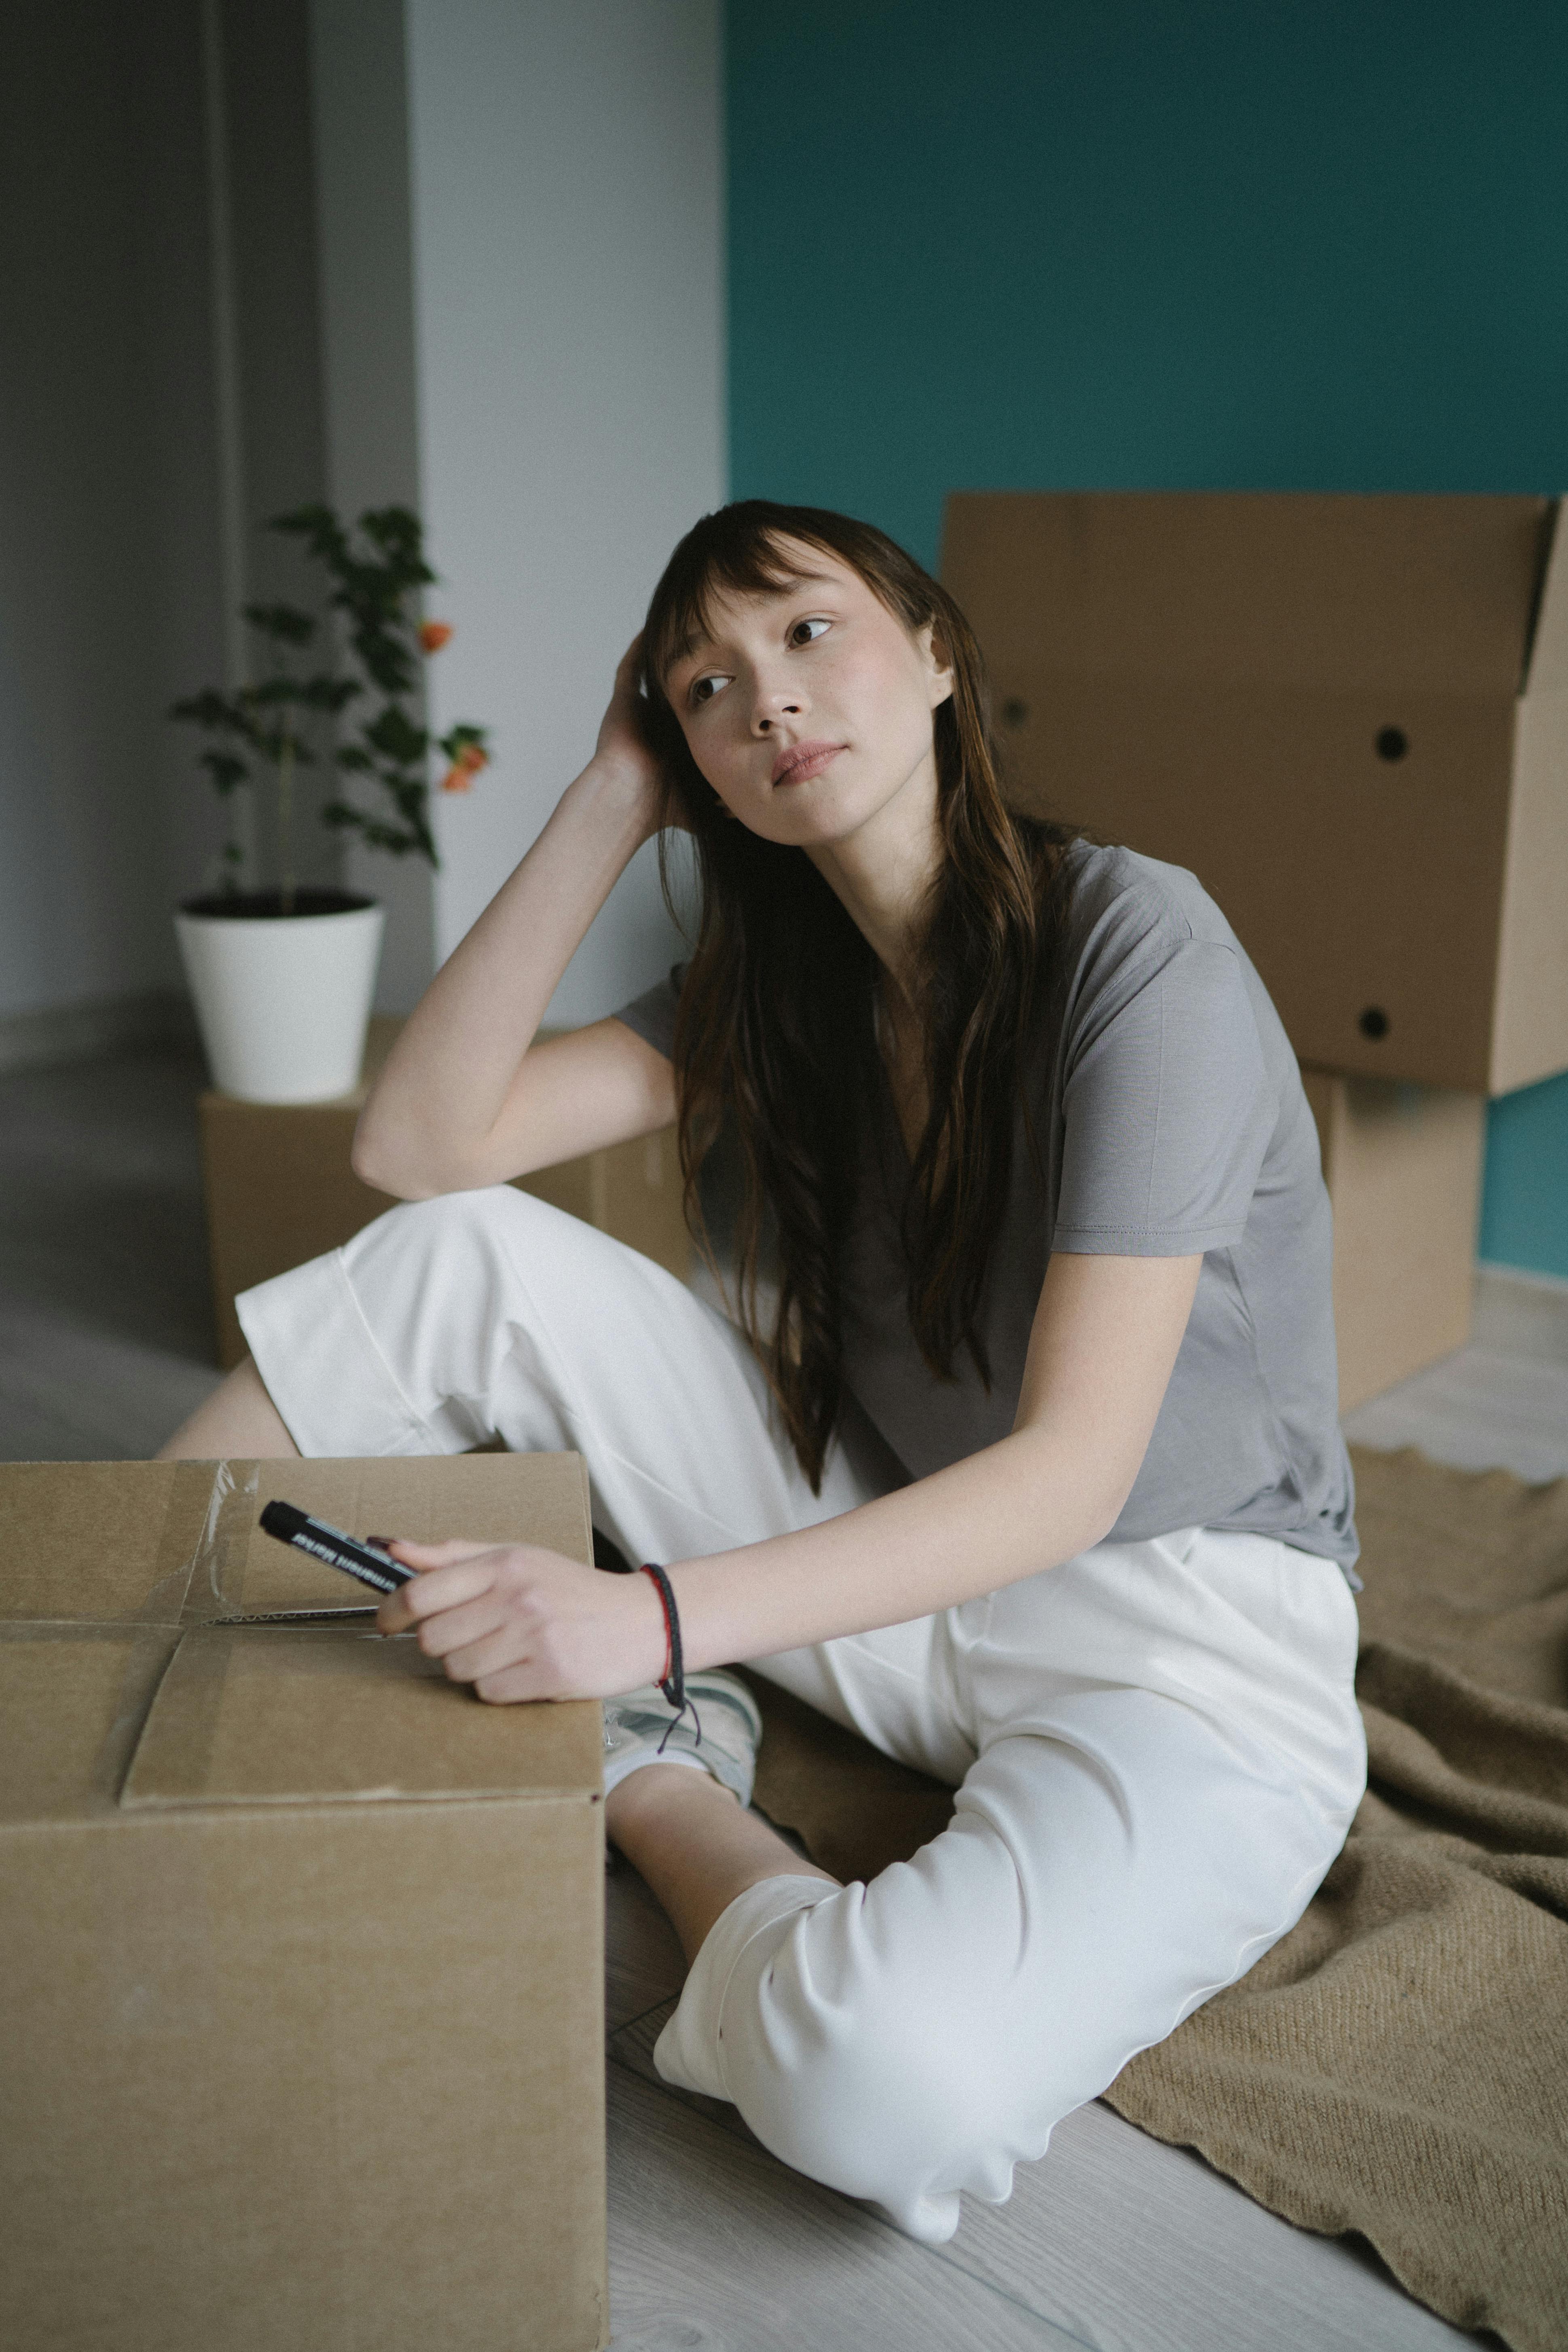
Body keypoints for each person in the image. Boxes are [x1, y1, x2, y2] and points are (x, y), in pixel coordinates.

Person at [158, 499, 1366, 2245]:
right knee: (459, 1255)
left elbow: (1072, 1473)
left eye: (807, 634)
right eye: (707, 687)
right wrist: (601, 800)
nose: (769, 701)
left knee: (881, 2083)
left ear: (937, 651)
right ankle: (77, 1656)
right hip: (896, 1552)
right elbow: (420, 1146)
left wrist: (641, 1626)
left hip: (1183, 1639)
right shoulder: (775, 982)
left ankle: (653, 1765)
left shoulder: (1134, 945)